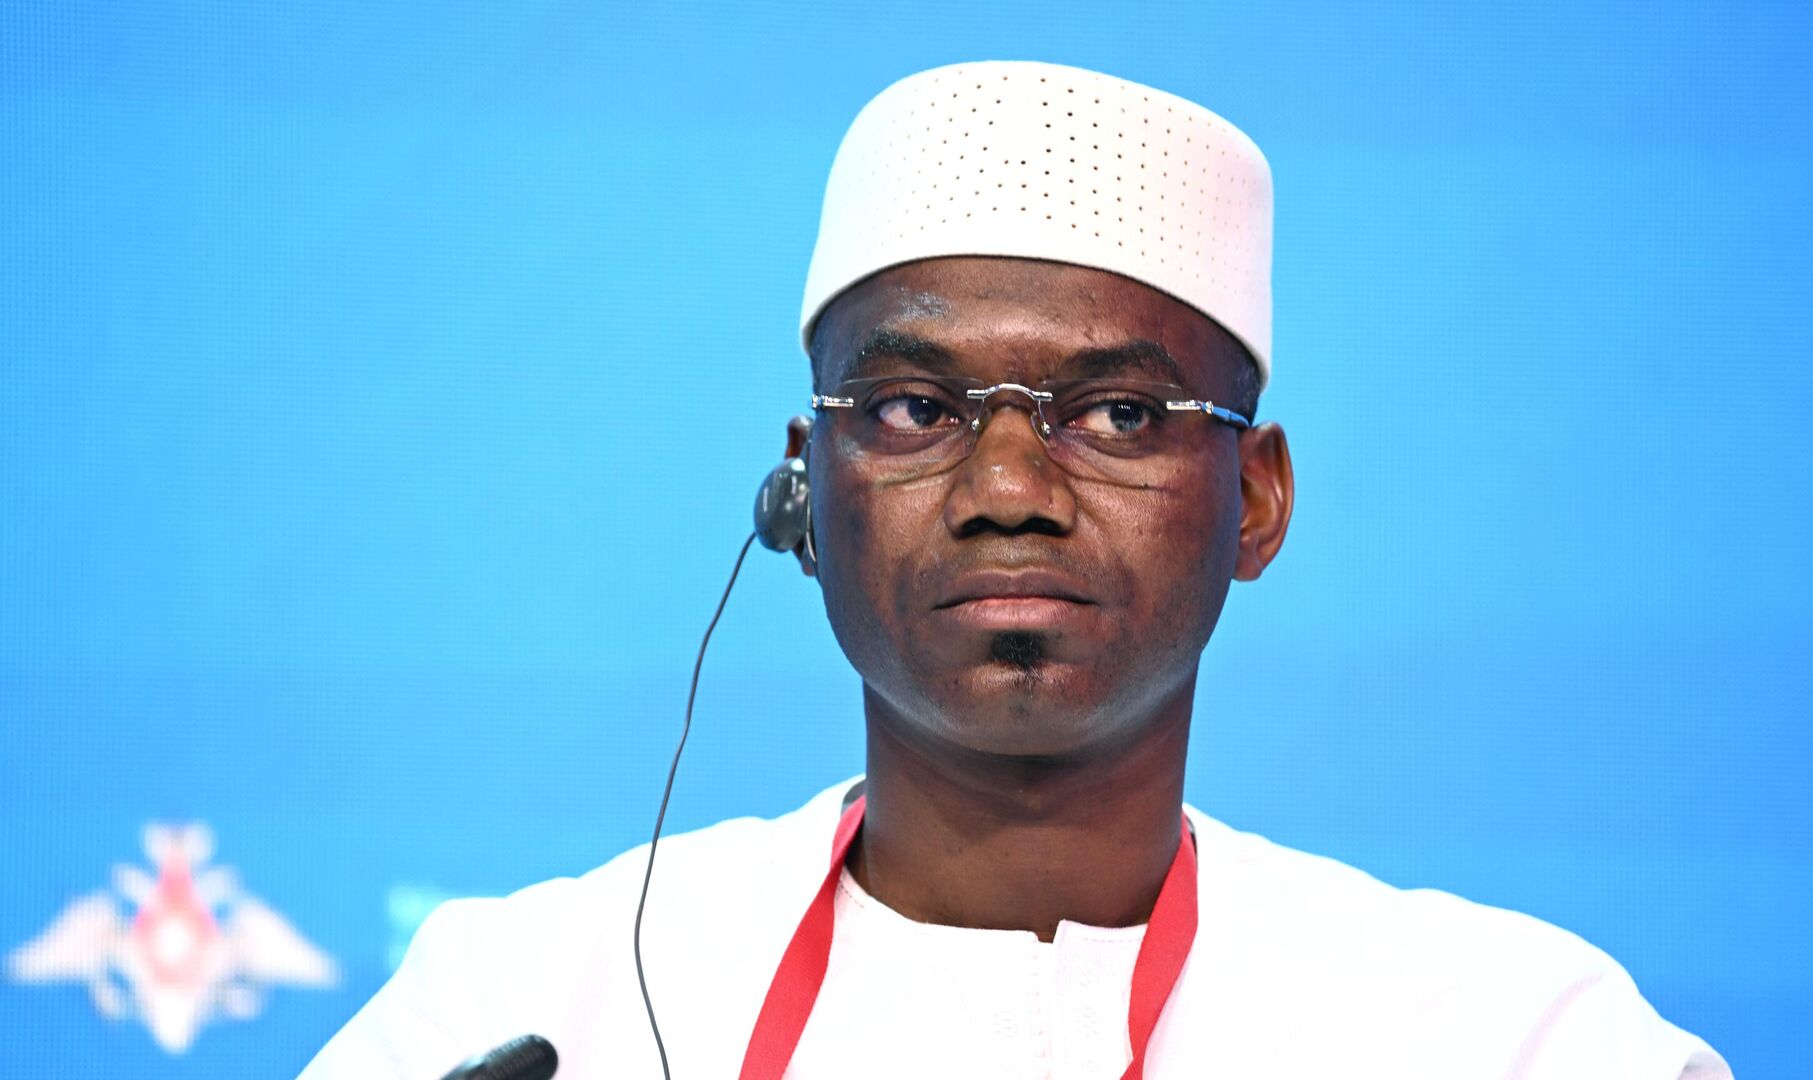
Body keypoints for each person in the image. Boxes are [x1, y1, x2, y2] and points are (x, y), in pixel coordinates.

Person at [301, 60, 1730, 1079]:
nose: (1005, 492)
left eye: (1118, 416)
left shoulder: (1513, 1039)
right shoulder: (528, 1010)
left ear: (1255, 500)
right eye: (912, 409)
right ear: (806, 493)